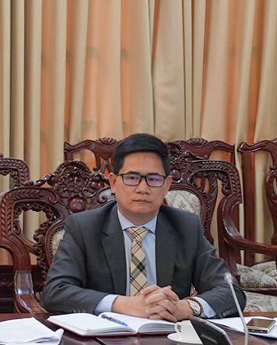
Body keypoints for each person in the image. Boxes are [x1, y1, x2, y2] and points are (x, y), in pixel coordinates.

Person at [43, 133, 244, 320]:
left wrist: (185, 307)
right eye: (132, 178)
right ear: (113, 182)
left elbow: (231, 292)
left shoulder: (186, 227)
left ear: (167, 185)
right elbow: (56, 291)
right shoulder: (85, 227)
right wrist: (121, 304)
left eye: (154, 179)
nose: (142, 188)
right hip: (105, 337)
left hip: (167, 335)